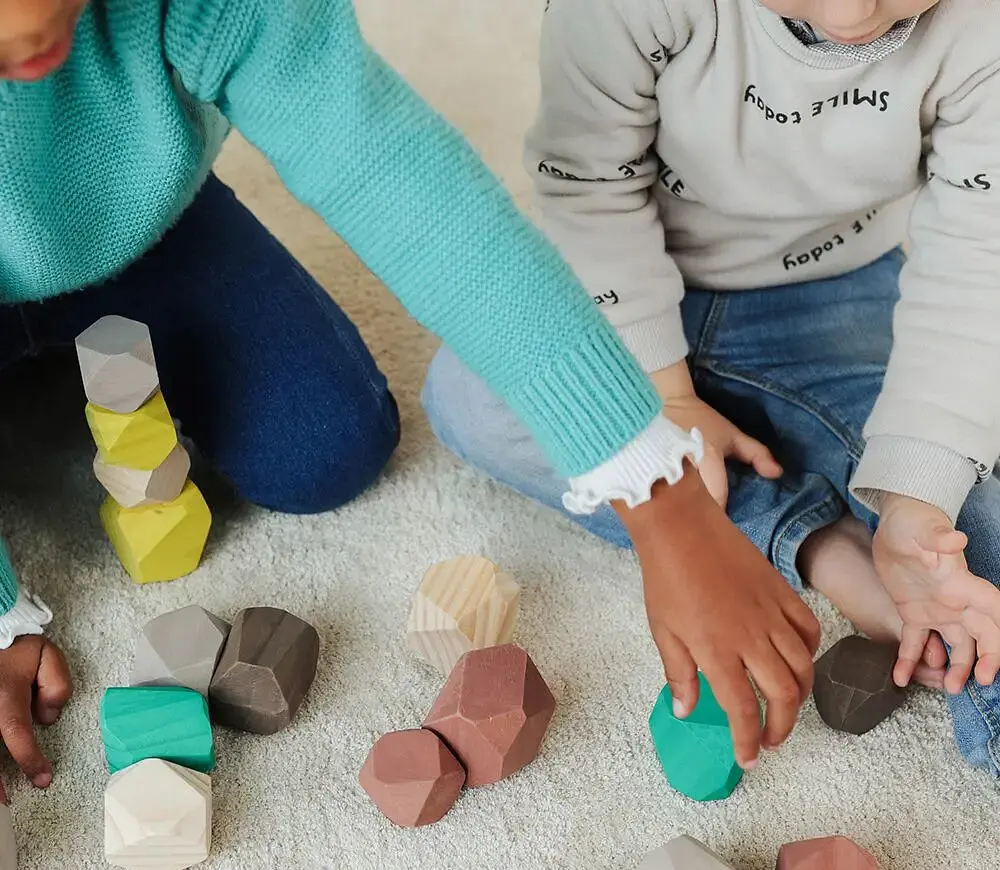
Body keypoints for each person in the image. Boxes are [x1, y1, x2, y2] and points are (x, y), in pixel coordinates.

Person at [0, 0, 823, 803]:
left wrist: (661, 499)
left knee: (327, 445)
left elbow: (408, 191)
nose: (29, 26)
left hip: (144, 221)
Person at [423, 0, 1000, 776]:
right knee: (472, 392)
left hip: (838, 291)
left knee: (965, 523)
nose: (856, 14)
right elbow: (588, 192)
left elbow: (975, 266)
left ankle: (867, 534)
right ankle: (819, 544)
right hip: (612, 278)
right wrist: (664, 400)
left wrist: (914, 506)